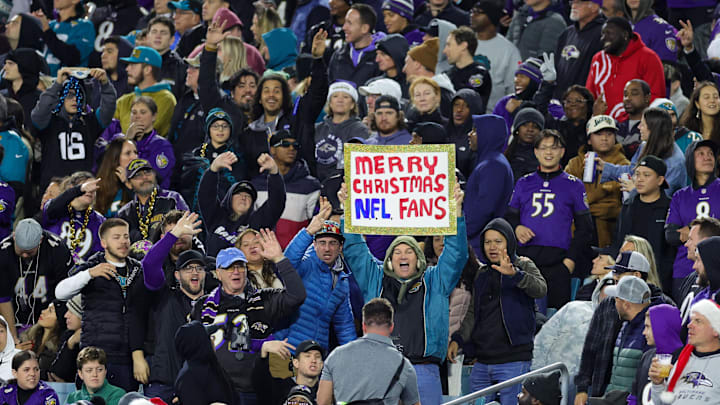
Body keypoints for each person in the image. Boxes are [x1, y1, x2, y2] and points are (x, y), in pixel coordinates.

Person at [342, 183, 468, 405]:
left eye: (409, 251)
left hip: (423, 370)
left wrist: (456, 213)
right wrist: (347, 210)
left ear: (418, 258)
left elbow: (456, 254)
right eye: (397, 251)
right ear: (389, 259)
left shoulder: (435, 280)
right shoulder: (375, 277)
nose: (403, 255)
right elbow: (355, 250)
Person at [190, 231, 307, 403]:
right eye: (229, 267)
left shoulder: (264, 299)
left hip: (258, 391)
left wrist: (279, 259)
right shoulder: (203, 306)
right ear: (218, 273)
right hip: (217, 390)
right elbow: (194, 347)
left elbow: (297, 296)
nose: (235, 271)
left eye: (240, 266)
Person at [54, 218, 161, 392]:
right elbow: (60, 292)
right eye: (116, 237)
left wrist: (137, 355)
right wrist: (89, 274)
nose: (123, 242)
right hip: (95, 359)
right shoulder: (92, 267)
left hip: (126, 360)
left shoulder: (137, 270)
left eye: (126, 236)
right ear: (103, 242)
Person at [449, 217, 547, 405]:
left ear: (509, 242)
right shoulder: (481, 273)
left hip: (514, 361)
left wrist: (515, 275)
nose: (492, 247)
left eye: (498, 241)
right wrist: (459, 338)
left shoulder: (523, 265)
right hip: (483, 361)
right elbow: (472, 312)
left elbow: (540, 288)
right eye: (487, 242)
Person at [507, 130, 594, 312]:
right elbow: (509, 217)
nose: (548, 152)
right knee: (522, 313)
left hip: (558, 265)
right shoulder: (523, 183)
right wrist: (516, 228)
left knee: (555, 321)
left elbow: (585, 228)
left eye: (553, 148)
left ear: (562, 152)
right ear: (536, 152)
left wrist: (569, 261)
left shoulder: (574, 185)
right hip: (526, 261)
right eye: (543, 148)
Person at [574, 250, 673, 405]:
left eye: (619, 275)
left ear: (636, 275)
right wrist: (582, 387)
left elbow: (666, 356)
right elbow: (590, 347)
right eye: (614, 274)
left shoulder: (663, 309)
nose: (614, 278)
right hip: (604, 392)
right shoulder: (608, 303)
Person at [140, 212, 206, 402]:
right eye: (187, 268)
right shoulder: (163, 291)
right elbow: (149, 264)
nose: (194, 272)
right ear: (177, 275)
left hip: (199, 381)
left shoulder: (212, 298)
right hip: (164, 379)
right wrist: (174, 233)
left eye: (198, 268)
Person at [279, 200, 356, 351]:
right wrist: (308, 232)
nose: (327, 248)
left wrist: (353, 356)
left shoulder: (342, 280)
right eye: (322, 242)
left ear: (340, 247)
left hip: (316, 355)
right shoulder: (306, 264)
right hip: (287, 350)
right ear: (314, 244)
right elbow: (286, 263)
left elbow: (344, 326)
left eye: (332, 243)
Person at [317, 298, 420, 405]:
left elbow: (323, 401)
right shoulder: (404, 365)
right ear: (392, 327)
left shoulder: (336, 355)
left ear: (363, 326)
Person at [31, 67, 117, 191]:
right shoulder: (49, 122)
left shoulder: (90, 122)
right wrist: (57, 84)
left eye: (79, 95)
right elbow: (38, 114)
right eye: (69, 95)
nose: (75, 99)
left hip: (82, 188)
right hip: (54, 189)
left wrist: (105, 84)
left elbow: (108, 109)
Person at [199, 152, 286, 256]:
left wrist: (274, 172)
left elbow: (277, 202)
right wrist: (213, 169)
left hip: (247, 271)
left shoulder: (258, 222)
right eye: (239, 194)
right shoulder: (216, 216)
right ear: (229, 199)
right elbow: (206, 195)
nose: (244, 197)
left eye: (248, 196)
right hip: (215, 269)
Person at [0, 218, 72, 341]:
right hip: (13, 315)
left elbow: (65, 293)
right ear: (14, 237)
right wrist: (13, 339)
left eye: (29, 252)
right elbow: (3, 298)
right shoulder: (3, 252)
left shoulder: (58, 250)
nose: (24, 255)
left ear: (40, 240)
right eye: (21, 250)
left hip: (47, 316)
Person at [666, 140, 720, 300]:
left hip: (717, 267)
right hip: (684, 269)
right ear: (690, 160)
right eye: (701, 154)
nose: (708, 157)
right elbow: (670, 235)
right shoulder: (679, 196)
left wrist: (689, 232)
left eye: (711, 154)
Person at [565, 115, 628, 248]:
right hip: (576, 234)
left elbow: (617, 209)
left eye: (609, 134)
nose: (604, 138)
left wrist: (583, 208)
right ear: (589, 139)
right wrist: (603, 194)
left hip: (610, 235)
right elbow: (566, 199)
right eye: (599, 134)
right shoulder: (575, 164)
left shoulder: (624, 165)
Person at [613, 156, 673, 293]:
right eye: (637, 174)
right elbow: (618, 241)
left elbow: (670, 251)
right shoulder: (628, 206)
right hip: (628, 278)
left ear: (660, 180)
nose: (639, 179)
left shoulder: (669, 207)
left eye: (646, 175)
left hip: (660, 280)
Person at [586, 17, 665, 121]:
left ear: (625, 35)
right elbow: (589, 94)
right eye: (603, 34)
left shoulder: (648, 57)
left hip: (636, 126)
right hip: (602, 126)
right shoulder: (598, 59)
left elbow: (655, 97)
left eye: (609, 33)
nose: (603, 38)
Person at [599, 107, 687, 197]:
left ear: (653, 129)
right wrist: (605, 167)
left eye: (642, 124)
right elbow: (632, 171)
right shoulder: (644, 146)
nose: (638, 127)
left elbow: (664, 197)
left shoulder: (675, 161)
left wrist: (635, 190)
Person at [253, 130, 321, 248]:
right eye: (285, 144)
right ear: (272, 149)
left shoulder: (311, 186)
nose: (291, 149)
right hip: (262, 254)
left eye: (295, 146)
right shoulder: (256, 184)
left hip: (298, 253)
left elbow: (316, 224)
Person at [649, 299, 720, 404]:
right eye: (691, 320)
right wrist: (658, 384)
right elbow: (661, 403)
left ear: (716, 329)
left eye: (698, 321)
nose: (689, 325)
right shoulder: (679, 358)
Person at [180, 107, 246, 213]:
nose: (220, 130)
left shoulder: (237, 157)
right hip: (195, 214)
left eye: (225, 126)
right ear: (208, 129)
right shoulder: (195, 155)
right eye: (215, 126)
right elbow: (186, 185)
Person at [465, 114, 514, 257]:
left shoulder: (493, 165)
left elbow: (484, 209)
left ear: (487, 134)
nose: (470, 134)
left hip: (480, 245)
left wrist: (460, 234)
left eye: (475, 130)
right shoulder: (490, 161)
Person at [601, 275, 652, 394]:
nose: (614, 304)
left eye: (616, 300)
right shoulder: (625, 325)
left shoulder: (650, 330)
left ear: (626, 304)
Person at [117, 158, 188, 242]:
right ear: (129, 184)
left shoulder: (172, 198)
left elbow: (187, 228)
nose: (144, 177)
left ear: (155, 175)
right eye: (138, 175)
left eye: (148, 172)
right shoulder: (124, 213)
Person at [470, 1, 522, 113]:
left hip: (492, 114)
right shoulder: (464, 43)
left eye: (478, 12)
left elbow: (512, 90)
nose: (472, 16)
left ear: (491, 17)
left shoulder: (509, 51)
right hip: (462, 113)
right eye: (472, 12)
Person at [114, 46, 177, 138]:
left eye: (133, 65)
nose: (127, 69)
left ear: (148, 69)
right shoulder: (124, 100)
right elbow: (110, 132)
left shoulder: (166, 99)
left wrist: (124, 138)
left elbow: (144, 133)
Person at [312, 81, 370, 181]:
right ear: (330, 102)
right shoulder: (318, 128)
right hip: (316, 182)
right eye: (335, 96)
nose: (340, 100)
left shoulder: (360, 130)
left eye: (346, 97)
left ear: (352, 104)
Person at [628, 304, 683, 405]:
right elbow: (634, 396)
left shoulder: (685, 359)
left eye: (648, 327)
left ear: (661, 327)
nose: (644, 332)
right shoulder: (647, 356)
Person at [174, 320, 238, 405]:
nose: (213, 339)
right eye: (208, 337)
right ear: (199, 345)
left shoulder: (213, 367)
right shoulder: (188, 378)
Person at [553, 0, 605, 99]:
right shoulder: (567, 33)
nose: (574, 6)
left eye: (579, 3)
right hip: (561, 100)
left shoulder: (603, 34)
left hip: (585, 102)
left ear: (594, 7)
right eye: (572, 2)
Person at [122, 96, 176, 188]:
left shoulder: (162, 146)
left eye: (143, 112)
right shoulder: (122, 140)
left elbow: (153, 179)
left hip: (153, 198)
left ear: (154, 116)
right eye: (134, 112)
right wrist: (127, 140)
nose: (137, 116)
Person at [254, 339, 325, 404]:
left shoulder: (327, 391)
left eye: (317, 357)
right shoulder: (280, 387)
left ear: (322, 364)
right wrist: (263, 354)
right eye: (308, 356)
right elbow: (260, 383)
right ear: (296, 363)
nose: (313, 360)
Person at [33, 0, 95, 75]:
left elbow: (73, 58)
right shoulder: (50, 25)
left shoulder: (84, 26)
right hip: (41, 81)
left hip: (67, 82)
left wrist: (46, 30)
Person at [328, 4, 382, 87]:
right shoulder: (337, 56)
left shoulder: (381, 58)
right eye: (345, 22)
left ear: (364, 28)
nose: (344, 27)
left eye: (349, 23)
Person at [403, 37, 456, 118]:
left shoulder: (440, 94)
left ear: (417, 64)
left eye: (407, 63)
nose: (404, 69)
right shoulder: (436, 91)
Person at [442, 26, 491, 109]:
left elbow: (467, 98)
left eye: (449, 45)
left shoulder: (480, 73)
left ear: (463, 46)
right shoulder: (445, 75)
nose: (444, 51)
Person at [95, 138, 139, 217]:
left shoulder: (144, 181)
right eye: (128, 153)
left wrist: (127, 183)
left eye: (135, 152)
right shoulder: (99, 186)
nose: (134, 157)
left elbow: (146, 208)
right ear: (115, 158)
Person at [446, 89, 485, 177]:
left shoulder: (477, 138)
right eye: (456, 105)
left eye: (466, 106)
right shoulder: (442, 132)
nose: (459, 109)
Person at [1, 48, 46, 124]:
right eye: (5, 63)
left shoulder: (41, 100)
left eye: (10, 64)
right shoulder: (2, 97)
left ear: (25, 66)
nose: (5, 68)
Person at [146, 16, 186, 96]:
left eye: (163, 33)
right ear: (147, 37)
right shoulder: (138, 62)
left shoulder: (179, 66)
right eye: (154, 32)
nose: (158, 36)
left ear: (172, 40)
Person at [48, 294, 83, 382]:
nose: (66, 315)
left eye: (71, 312)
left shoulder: (94, 340)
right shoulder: (69, 335)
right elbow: (55, 373)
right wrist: (70, 344)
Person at [505, 107, 545, 181]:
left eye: (535, 126)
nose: (530, 129)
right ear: (517, 129)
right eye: (525, 125)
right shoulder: (508, 154)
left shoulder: (546, 157)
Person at [367, 34, 410, 99]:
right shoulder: (372, 84)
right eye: (377, 54)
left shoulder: (413, 85)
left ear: (397, 55)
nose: (377, 60)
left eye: (383, 54)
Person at [616, 79, 651, 158]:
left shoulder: (652, 127)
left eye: (634, 94)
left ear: (647, 98)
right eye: (625, 94)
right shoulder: (616, 125)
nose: (627, 98)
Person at [680, 81, 720, 146]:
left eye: (716, 97)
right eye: (706, 97)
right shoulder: (687, 131)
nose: (712, 100)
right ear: (697, 103)